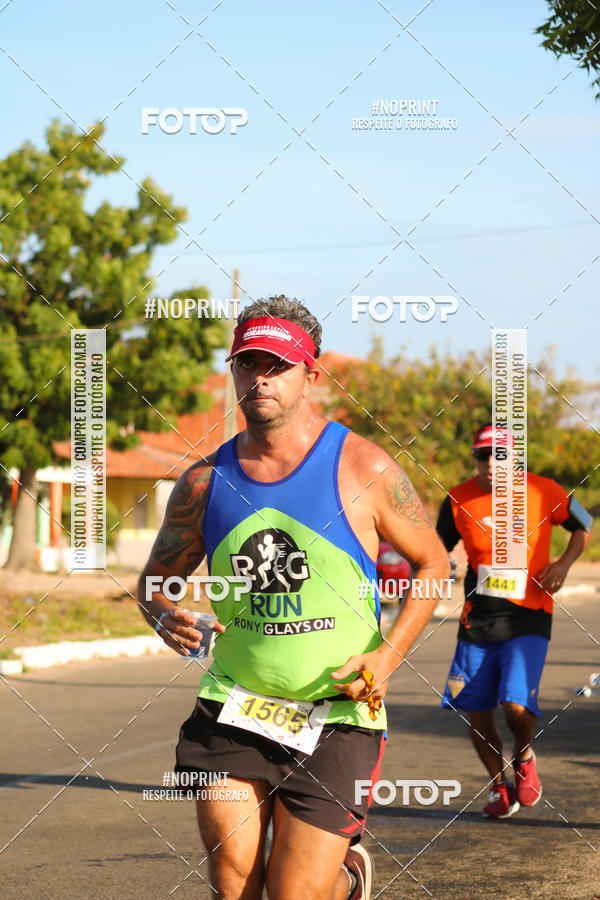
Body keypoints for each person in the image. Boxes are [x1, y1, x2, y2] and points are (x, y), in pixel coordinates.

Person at [137, 295, 449, 900]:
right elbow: (155, 580)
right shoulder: (203, 482)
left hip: (337, 712)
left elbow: (433, 564)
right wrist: (162, 613)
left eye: (277, 365)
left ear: (312, 375)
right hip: (235, 705)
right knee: (234, 881)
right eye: (248, 363)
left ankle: (348, 879)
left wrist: (385, 658)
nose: (260, 379)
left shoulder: (364, 466)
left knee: (295, 894)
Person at [437, 423, 592, 818]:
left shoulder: (544, 490)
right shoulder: (457, 498)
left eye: (499, 456)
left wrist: (563, 564)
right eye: (482, 457)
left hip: (530, 614)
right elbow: (436, 548)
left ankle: (523, 755)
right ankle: (498, 785)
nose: (490, 464)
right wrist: (443, 565)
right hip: (478, 618)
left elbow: (583, 526)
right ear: (474, 459)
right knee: (476, 708)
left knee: (514, 704)